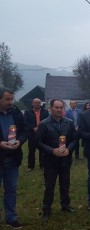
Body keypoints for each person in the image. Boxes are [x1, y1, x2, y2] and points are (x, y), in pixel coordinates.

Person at [36, 99, 77, 220]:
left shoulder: (69, 123)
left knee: (65, 183)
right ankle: (47, 209)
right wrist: (52, 151)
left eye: (61, 107)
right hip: (50, 160)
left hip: (65, 159)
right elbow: (38, 142)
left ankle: (65, 205)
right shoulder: (44, 124)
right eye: (56, 107)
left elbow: (74, 140)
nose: (59, 110)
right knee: (49, 185)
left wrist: (69, 149)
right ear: (50, 108)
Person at [0, 87, 27, 228]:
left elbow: (24, 130)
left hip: (13, 157)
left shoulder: (16, 112)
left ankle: (11, 217)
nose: (11, 102)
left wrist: (20, 141)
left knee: (11, 188)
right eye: (7, 99)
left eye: (12, 99)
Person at [24, 98, 49, 171]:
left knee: (42, 150)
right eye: (36, 102)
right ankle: (30, 166)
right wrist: (33, 128)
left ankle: (42, 165)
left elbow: (47, 121)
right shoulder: (27, 112)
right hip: (32, 134)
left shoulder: (45, 111)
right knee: (31, 151)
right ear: (32, 103)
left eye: (39, 102)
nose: (37, 104)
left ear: (41, 103)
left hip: (42, 134)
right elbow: (26, 122)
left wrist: (40, 128)